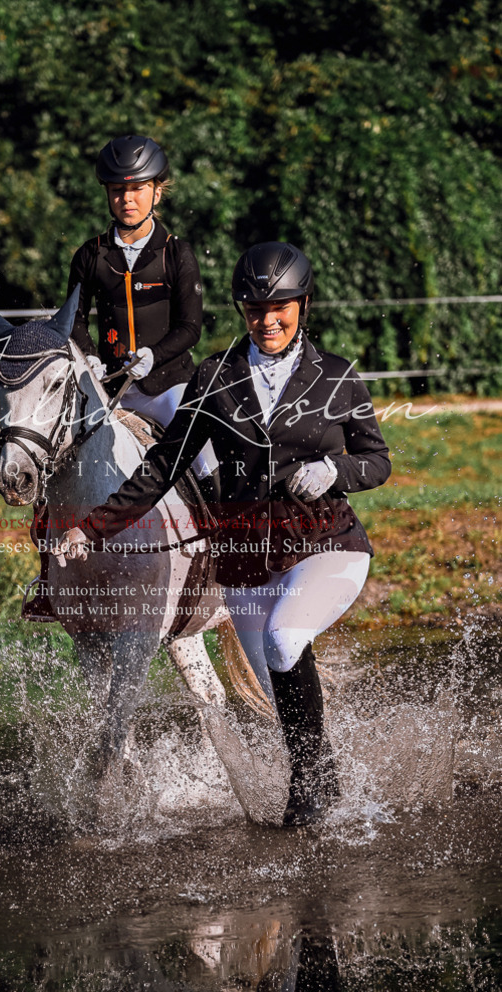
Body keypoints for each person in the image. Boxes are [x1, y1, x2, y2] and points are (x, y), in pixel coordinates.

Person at [53, 242, 392, 827]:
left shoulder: (336, 376)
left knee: (286, 642)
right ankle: (325, 769)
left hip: (325, 544)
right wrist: (94, 525)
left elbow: (377, 460)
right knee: (274, 682)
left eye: (280, 307)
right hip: (245, 560)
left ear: (302, 305)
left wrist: (338, 470)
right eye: (256, 309)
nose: (268, 320)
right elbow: (163, 464)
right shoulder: (217, 377)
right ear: (243, 312)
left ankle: (309, 788)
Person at [68, 133, 204, 428]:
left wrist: (154, 356)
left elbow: (191, 327)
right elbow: (73, 318)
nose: (127, 198)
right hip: (109, 386)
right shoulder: (90, 255)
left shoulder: (176, 253)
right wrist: (89, 358)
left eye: (137, 188)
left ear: (156, 192)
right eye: (117, 189)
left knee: (205, 462)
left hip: (168, 386)